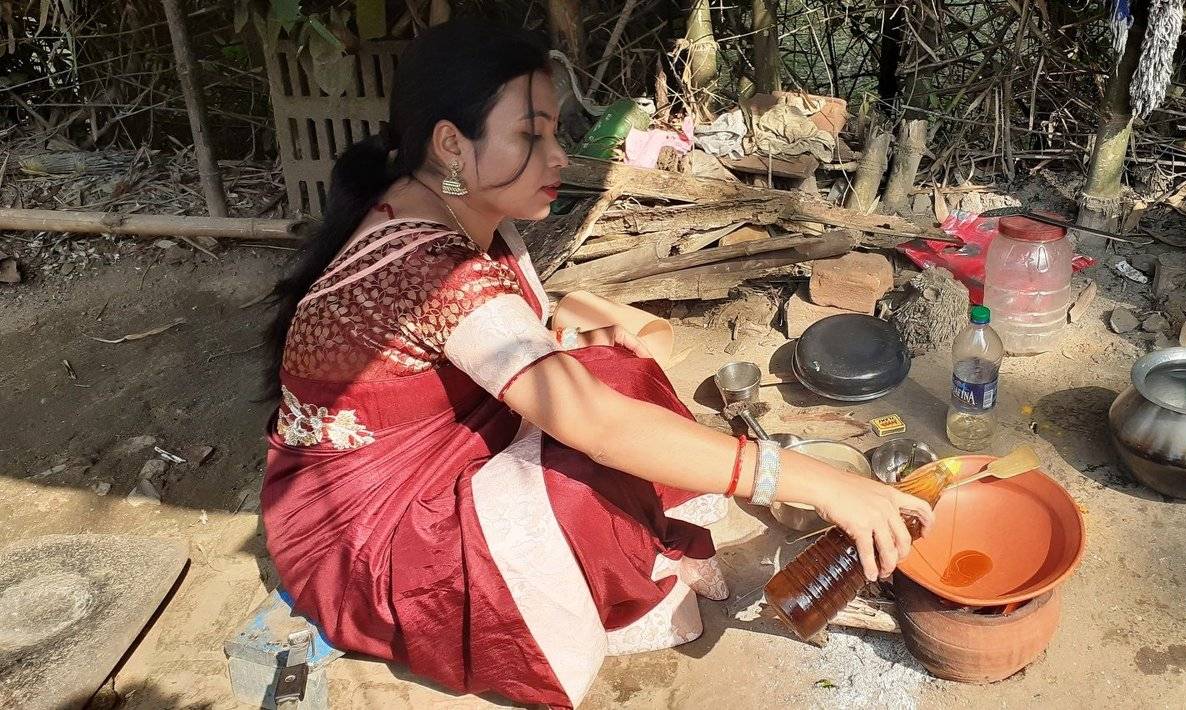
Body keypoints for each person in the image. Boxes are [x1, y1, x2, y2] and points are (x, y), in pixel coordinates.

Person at [260, 21, 933, 708]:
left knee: (618, 372)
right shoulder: (430, 268)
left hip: (434, 462)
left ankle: (630, 557)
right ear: (451, 145)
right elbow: (597, 425)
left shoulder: (460, 214)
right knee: (586, 467)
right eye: (531, 137)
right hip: (366, 542)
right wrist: (816, 481)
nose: (558, 156)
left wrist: (575, 341)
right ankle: (610, 603)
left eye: (553, 133)